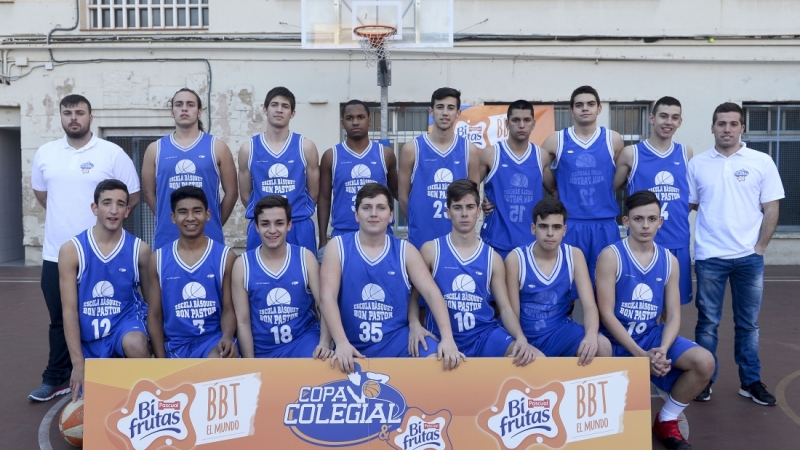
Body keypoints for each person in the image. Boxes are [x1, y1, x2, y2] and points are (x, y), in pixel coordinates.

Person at [29, 94, 141, 402]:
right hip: (56, 253)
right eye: (67, 113)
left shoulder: (112, 153)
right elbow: (43, 195)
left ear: (91, 118)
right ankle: (56, 377)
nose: (73, 118)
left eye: (80, 112)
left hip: (101, 254)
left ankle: (115, 369)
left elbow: (131, 196)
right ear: (61, 117)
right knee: (59, 317)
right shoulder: (46, 153)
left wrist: (106, 228)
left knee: (107, 311)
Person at [597, 191, 714, 450]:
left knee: (705, 362)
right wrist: (640, 356)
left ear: (660, 222)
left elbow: (673, 315)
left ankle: (666, 419)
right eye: (638, 219)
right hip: (614, 340)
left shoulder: (670, 260)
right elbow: (606, 313)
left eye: (652, 219)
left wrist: (661, 349)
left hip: (650, 337)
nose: (645, 225)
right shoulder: (611, 256)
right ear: (626, 221)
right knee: (618, 428)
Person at [689, 102, 784, 405]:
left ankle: (750, 382)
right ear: (712, 127)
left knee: (748, 325)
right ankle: (704, 381)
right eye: (721, 123)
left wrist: (760, 248)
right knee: (708, 323)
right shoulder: (698, 164)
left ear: (742, 127)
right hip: (710, 257)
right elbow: (690, 205)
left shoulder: (761, 161)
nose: (727, 129)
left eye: (733, 124)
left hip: (748, 258)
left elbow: (771, 207)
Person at [318, 183, 465, 373]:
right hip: (351, 341)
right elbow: (327, 296)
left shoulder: (406, 250)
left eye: (381, 208)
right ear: (356, 215)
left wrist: (447, 338)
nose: (373, 213)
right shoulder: (337, 247)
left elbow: (432, 293)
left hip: (397, 341)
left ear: (391, 216)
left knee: (438, 358)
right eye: (366, 207)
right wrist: (340, 342)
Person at [415, 179, 537, 364]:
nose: (464, 214)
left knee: (535, 358)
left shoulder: (493, 257)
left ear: (479, 211)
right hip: (442, 337)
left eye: (470, 207)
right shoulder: (431, 250)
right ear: (448, 212)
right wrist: (414, 324)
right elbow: (414, 298)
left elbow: (505, 308)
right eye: (457, 207)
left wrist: (520, 337)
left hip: (483, 336)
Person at [60, 179, 150, 402]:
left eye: (120, 204)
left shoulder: (140, 250)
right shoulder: (72, 250)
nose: (113, 210)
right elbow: (69, 310)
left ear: (127, 211)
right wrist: (77, 364)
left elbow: (153, 305)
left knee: (136, 343)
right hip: (91, 338)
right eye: (107, 203)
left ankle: (145, 392)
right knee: (94, 409)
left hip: (125, 325)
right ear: (94, 208)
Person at [505, 198, 611, 364]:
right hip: (526, 333)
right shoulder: (516, 258)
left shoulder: (574, 255)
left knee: (602, 345)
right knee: (533, 359)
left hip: (560, 331)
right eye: (543, 226)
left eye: (556, 227)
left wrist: (591, 336)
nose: (550, 233)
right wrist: (520, 340)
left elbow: (589, 306)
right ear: (533, 228)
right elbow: (512, 312)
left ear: (564, 230)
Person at [540, 86, 624, 283]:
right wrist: (554, 189)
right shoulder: (556, 140)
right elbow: (539, 167)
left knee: (605, 285)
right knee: (566, 284)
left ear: (599, 108)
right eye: (579, 105)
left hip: (604, 223)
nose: (585, 108)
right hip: (570, 223)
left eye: (590, 104)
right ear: (571, 110)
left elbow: (621, 175)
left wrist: (607, 190)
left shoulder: (613, 139)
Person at [232, 195, 333, 359]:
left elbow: (325, 305)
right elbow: (242, 321)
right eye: (265, 224)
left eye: (279, 223)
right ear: (256, 226)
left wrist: (324, 343)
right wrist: (250, 362)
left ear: (289, 225)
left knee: (320, 362)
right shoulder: (242, 265)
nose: (272, 230)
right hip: (263, 348)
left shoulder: (305, 258)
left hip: (302, 340)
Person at [614, 96, 694, 304]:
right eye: (663, 116)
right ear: (651, 118)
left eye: (674, 117)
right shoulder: (631, 153)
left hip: (677, 240)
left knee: (672, 305)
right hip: (642, 242)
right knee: (641, 303)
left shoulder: (686, 153)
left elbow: (690, 194)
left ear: (680, 122)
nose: (669, 122)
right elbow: (614, 187)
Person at [146, 186, 238, 358]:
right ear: (173, 217)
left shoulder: (226, 257)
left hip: (212, 341)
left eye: (197, 211)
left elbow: (228, 309)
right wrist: (160, 360)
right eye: (183, 212)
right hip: (175, 345)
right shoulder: (157, 259)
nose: (190, 218)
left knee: (217, 361)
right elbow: (155, 315)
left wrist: (227, 336)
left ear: (208, 215)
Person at [142, 88, 238, 250]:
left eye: (190, 104)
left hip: (209, 237)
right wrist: (166, 218)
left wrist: (213, 222)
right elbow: (148, 193)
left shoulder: (217, 147)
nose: (184, 108)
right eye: (179, 104)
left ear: (199, 112)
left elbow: (232, 193)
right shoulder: (155, 149)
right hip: (168, 238)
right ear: (172, 111)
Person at [238, 86, 319, 252]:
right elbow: (246, 196)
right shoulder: (248, 149)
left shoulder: (306, 146)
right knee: (257, 268)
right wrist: (267, 217)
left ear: (292, 113)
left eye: (285, 106)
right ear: (265, 109)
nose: (279, 110)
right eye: (274, 105)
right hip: (263, 226)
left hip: (298, 224)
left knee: (304, 268)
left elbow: (314, 193)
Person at [398, 87, 480, 249]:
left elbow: (473, 199)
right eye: (440, 107)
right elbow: (403, 197)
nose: (445, 113)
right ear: (431, 112)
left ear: (458, 113)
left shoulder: (469, 150)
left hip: (457, 241)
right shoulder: (412, 149)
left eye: (451, 108)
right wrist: (418, 222)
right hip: (421, 238)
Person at [318, 100, 398, 250]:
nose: (355, 122)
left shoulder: (385, 154)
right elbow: (324, 198)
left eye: (360, 117)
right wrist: (322, 239)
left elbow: (398, 193)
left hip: (380, 232)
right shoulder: (331, 156)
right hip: (344, 232)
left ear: (369, 120)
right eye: (349, 118)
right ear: (342, 123)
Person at [479, 100, 552, 259]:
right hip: (496, 240)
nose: (521, 125)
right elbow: (468, 189)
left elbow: (555, 192)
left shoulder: (541, 156)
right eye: (516, 120)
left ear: (533, 124)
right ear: (507, 123)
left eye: (526, 120)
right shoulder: (491, 154)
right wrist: (480, 202)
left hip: (532, 242)